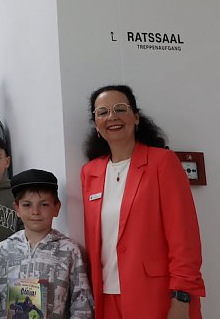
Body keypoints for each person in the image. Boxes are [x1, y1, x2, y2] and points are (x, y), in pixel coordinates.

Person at [80, 85, 205, 319]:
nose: (112, 117)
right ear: (96, 124)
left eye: (120, 109)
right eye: (103, 112)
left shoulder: (162, 162)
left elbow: (184, 236)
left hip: (157, 295)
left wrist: (182, 296)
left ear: (136, 117)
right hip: (105, 297)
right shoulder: (90, 172)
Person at [0, 169, 93, 319]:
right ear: (17, 208)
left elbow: (82, 304)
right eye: (27, 205)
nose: (35, 211)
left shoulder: (70, 251)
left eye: (44, 204)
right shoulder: (3, 250)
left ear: (56, 208)